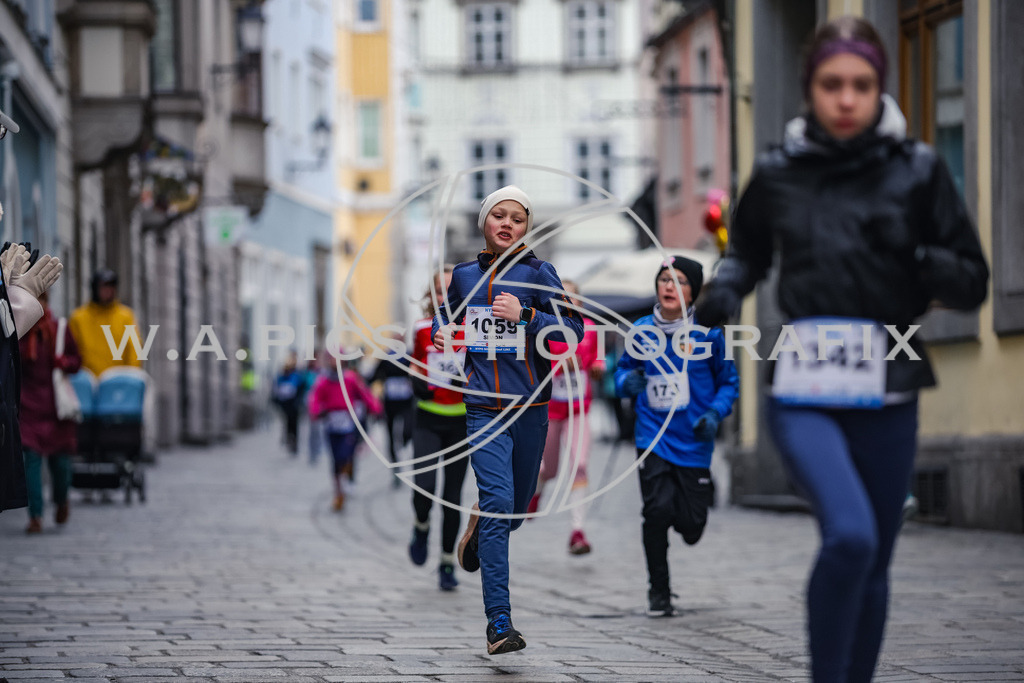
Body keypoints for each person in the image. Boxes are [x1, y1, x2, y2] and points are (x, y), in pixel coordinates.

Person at [695, 17, 988, 682]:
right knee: (851, 536)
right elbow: (746, 251)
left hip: (889, 383)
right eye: (832, 84)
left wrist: (916, 256)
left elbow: (972, 279)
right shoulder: (778, 171)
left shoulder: (918, 169)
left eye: (862, 84)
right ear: (810, 88)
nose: (847, 98)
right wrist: (724, 291)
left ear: (880, 87)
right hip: (804, 387)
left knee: (875, 558)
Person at [433, 185, 584, 654]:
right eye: (499, 215)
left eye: (517, 219)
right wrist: (443, 333)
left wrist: (527, 316)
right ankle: (499, 623)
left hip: (531, 409)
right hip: (483, 408)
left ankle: (480, 528)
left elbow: (573, 331)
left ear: (526, 228)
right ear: (485, 221)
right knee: (500, 503)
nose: (507, 224)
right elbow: (444, 317)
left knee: (512, 512)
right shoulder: (463, 276)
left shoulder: (540, 273)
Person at [614, 255, 739, 618]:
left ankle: (691, 510)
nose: (670, 286)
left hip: (694, 440)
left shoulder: (709, 333)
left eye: (680, 281)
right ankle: (659, 591)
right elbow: (621, 373)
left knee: (691, 525)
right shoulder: (641, 331)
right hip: (651, 436)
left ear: (694, 291)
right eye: (665, 279)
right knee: (656, 511)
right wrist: (626, 382)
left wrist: (714, 413)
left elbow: (729, 383)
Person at [527, 280, 604, 554]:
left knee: (579, 465)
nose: (568, 304)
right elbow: (535, 367)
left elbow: (597, 361)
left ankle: (577, 531)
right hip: (550, 411)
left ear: (580, 303)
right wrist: (559, 365)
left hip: (578, 411)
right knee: (548, 469)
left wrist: (597, 368)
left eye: (573, 298)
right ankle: (535, 492)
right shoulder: (545, 332)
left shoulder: (590, 330)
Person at [407, 265, 469, 591]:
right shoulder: (421, 328)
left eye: (451, 290)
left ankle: (446, 562)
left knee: (452, 497)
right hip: (428, 418)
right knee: (425, 487)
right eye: (440, 291)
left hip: (461, 421)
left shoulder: (473, 328)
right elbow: (415, 364)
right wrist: (417, 381)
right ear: (430, 296)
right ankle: (421, 525)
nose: (445, 297)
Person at [20, 290, 82, 533]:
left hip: (57, 409)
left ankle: (61, 500)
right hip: (28, 407)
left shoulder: (59, 329)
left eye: (41, 299)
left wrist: (64, 362)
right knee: (31, 461)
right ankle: (35, 515)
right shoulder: (19, 330)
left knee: (61, 464)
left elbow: (77, 361)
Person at [308, 351, 382, 511]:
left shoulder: (350, 379)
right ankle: (338, 493)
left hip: (348, 424)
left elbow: (364, 394)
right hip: (331, 425)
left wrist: (375, 408)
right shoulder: (323, 381)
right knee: (335, 460)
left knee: (346, 455)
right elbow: (315, 398)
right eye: (332, 359)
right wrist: (316, 411)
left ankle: (347, 477)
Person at [69, 269, 142, 377]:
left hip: (117, 380)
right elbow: (71, 351)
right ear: (95, 288)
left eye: (111, 287)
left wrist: (131, 376)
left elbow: (134, 350)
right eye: (104, 287)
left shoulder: (126, 317)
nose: (108, 291)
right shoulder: (78, 318)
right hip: (87, 381)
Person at [367, 335, 415, 485]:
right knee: (390, 436)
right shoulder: (386, 357)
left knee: (408, 430)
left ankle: (404, 443)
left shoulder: (409, 356)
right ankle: (395, 467)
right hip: (389, 404)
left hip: (406, 402)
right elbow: (374, 376)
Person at [271, 351, 307, 455]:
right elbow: (276, 390)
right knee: (287, 421)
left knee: (294, 423)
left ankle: (293, 440)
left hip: (294, 404)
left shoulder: (297, 376)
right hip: (285, 404)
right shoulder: (281, 377)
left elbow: (301, 388)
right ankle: (288, 438)